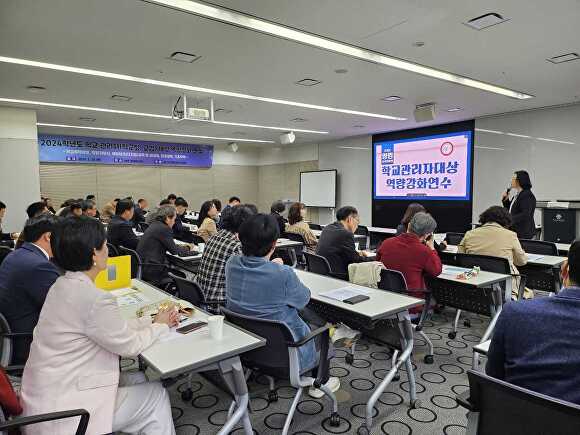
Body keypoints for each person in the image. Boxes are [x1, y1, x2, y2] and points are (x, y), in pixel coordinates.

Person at [20, 217, 177, 434]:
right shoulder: (94, 299)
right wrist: (160, 326)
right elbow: (130, 346)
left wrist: (149, 320)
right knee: (155, 396)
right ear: (94, 254)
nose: (108, 252)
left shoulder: (61, 285)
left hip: (46, 396)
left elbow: (108, 328)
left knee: (139, 378)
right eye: (104, 246)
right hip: (66, 413)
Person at [225, 214, 344, 398]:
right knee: (322, 331)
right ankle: (321, 382)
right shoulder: (283, 274)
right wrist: (277, 269)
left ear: (240, 238)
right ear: (274, 244)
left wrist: (271, 267)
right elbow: (303, 299)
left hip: (249, 347)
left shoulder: (231, 264)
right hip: (288, 352)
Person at [486, 240, 580, 405]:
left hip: (511, 418)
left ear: (564, 270)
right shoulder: (509, 235)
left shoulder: (514, 313)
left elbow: (494, 375)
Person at [0, 213, 60, 365]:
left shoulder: (15, 255)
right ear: (48, 236)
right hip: (27, 341)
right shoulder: (39, 266)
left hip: (10, 333)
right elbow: (63, 309)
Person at [459, 206, 530, 299]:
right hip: (504, 286)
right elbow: (522, 262)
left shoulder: (469, 234)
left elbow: (461, 257)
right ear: (506, 221)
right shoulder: (510, 235)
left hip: (476, 283)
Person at [196, 205, 255, 311]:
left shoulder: (215, 236)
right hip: (218, 304)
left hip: (200, 296)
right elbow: (251, 277)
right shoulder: (236, 245)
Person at [376, 212, 442, 292]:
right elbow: (436, 271)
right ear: (427, 235)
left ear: (409, 225)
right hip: (413, 299)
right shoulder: (424, 251)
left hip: (386, 295)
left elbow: (377, 263)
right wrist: (432, 248)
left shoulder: (386, 243)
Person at [137, 205, 195, 287]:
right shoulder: (164, 229)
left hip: (143, 267)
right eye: (174, 219)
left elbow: (166, 243)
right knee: (181, 276)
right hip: (153, 270)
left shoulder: (154, 225)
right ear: (168, 218)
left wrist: (178, 246)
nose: (174, 222)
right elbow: (174, 251)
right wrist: (188, 247)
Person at [316, 206, 370, 279]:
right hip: (338, 275)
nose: (357, 226)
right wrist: (375, 258)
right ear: (349, 219)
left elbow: (341, 251)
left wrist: (357, 253)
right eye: (357, 221)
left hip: (321, 271)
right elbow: (355, 260)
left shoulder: (327, 228)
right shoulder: (346, 234)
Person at [501, 170, 537, 239]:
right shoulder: (518, 195)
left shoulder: (527, 195)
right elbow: (512, 210)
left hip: (523, 233)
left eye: (513, 179)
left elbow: (525, 214)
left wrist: (509, 219)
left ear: (519, 180)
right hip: (515, 231)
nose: (511, 181)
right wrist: (506, 201)